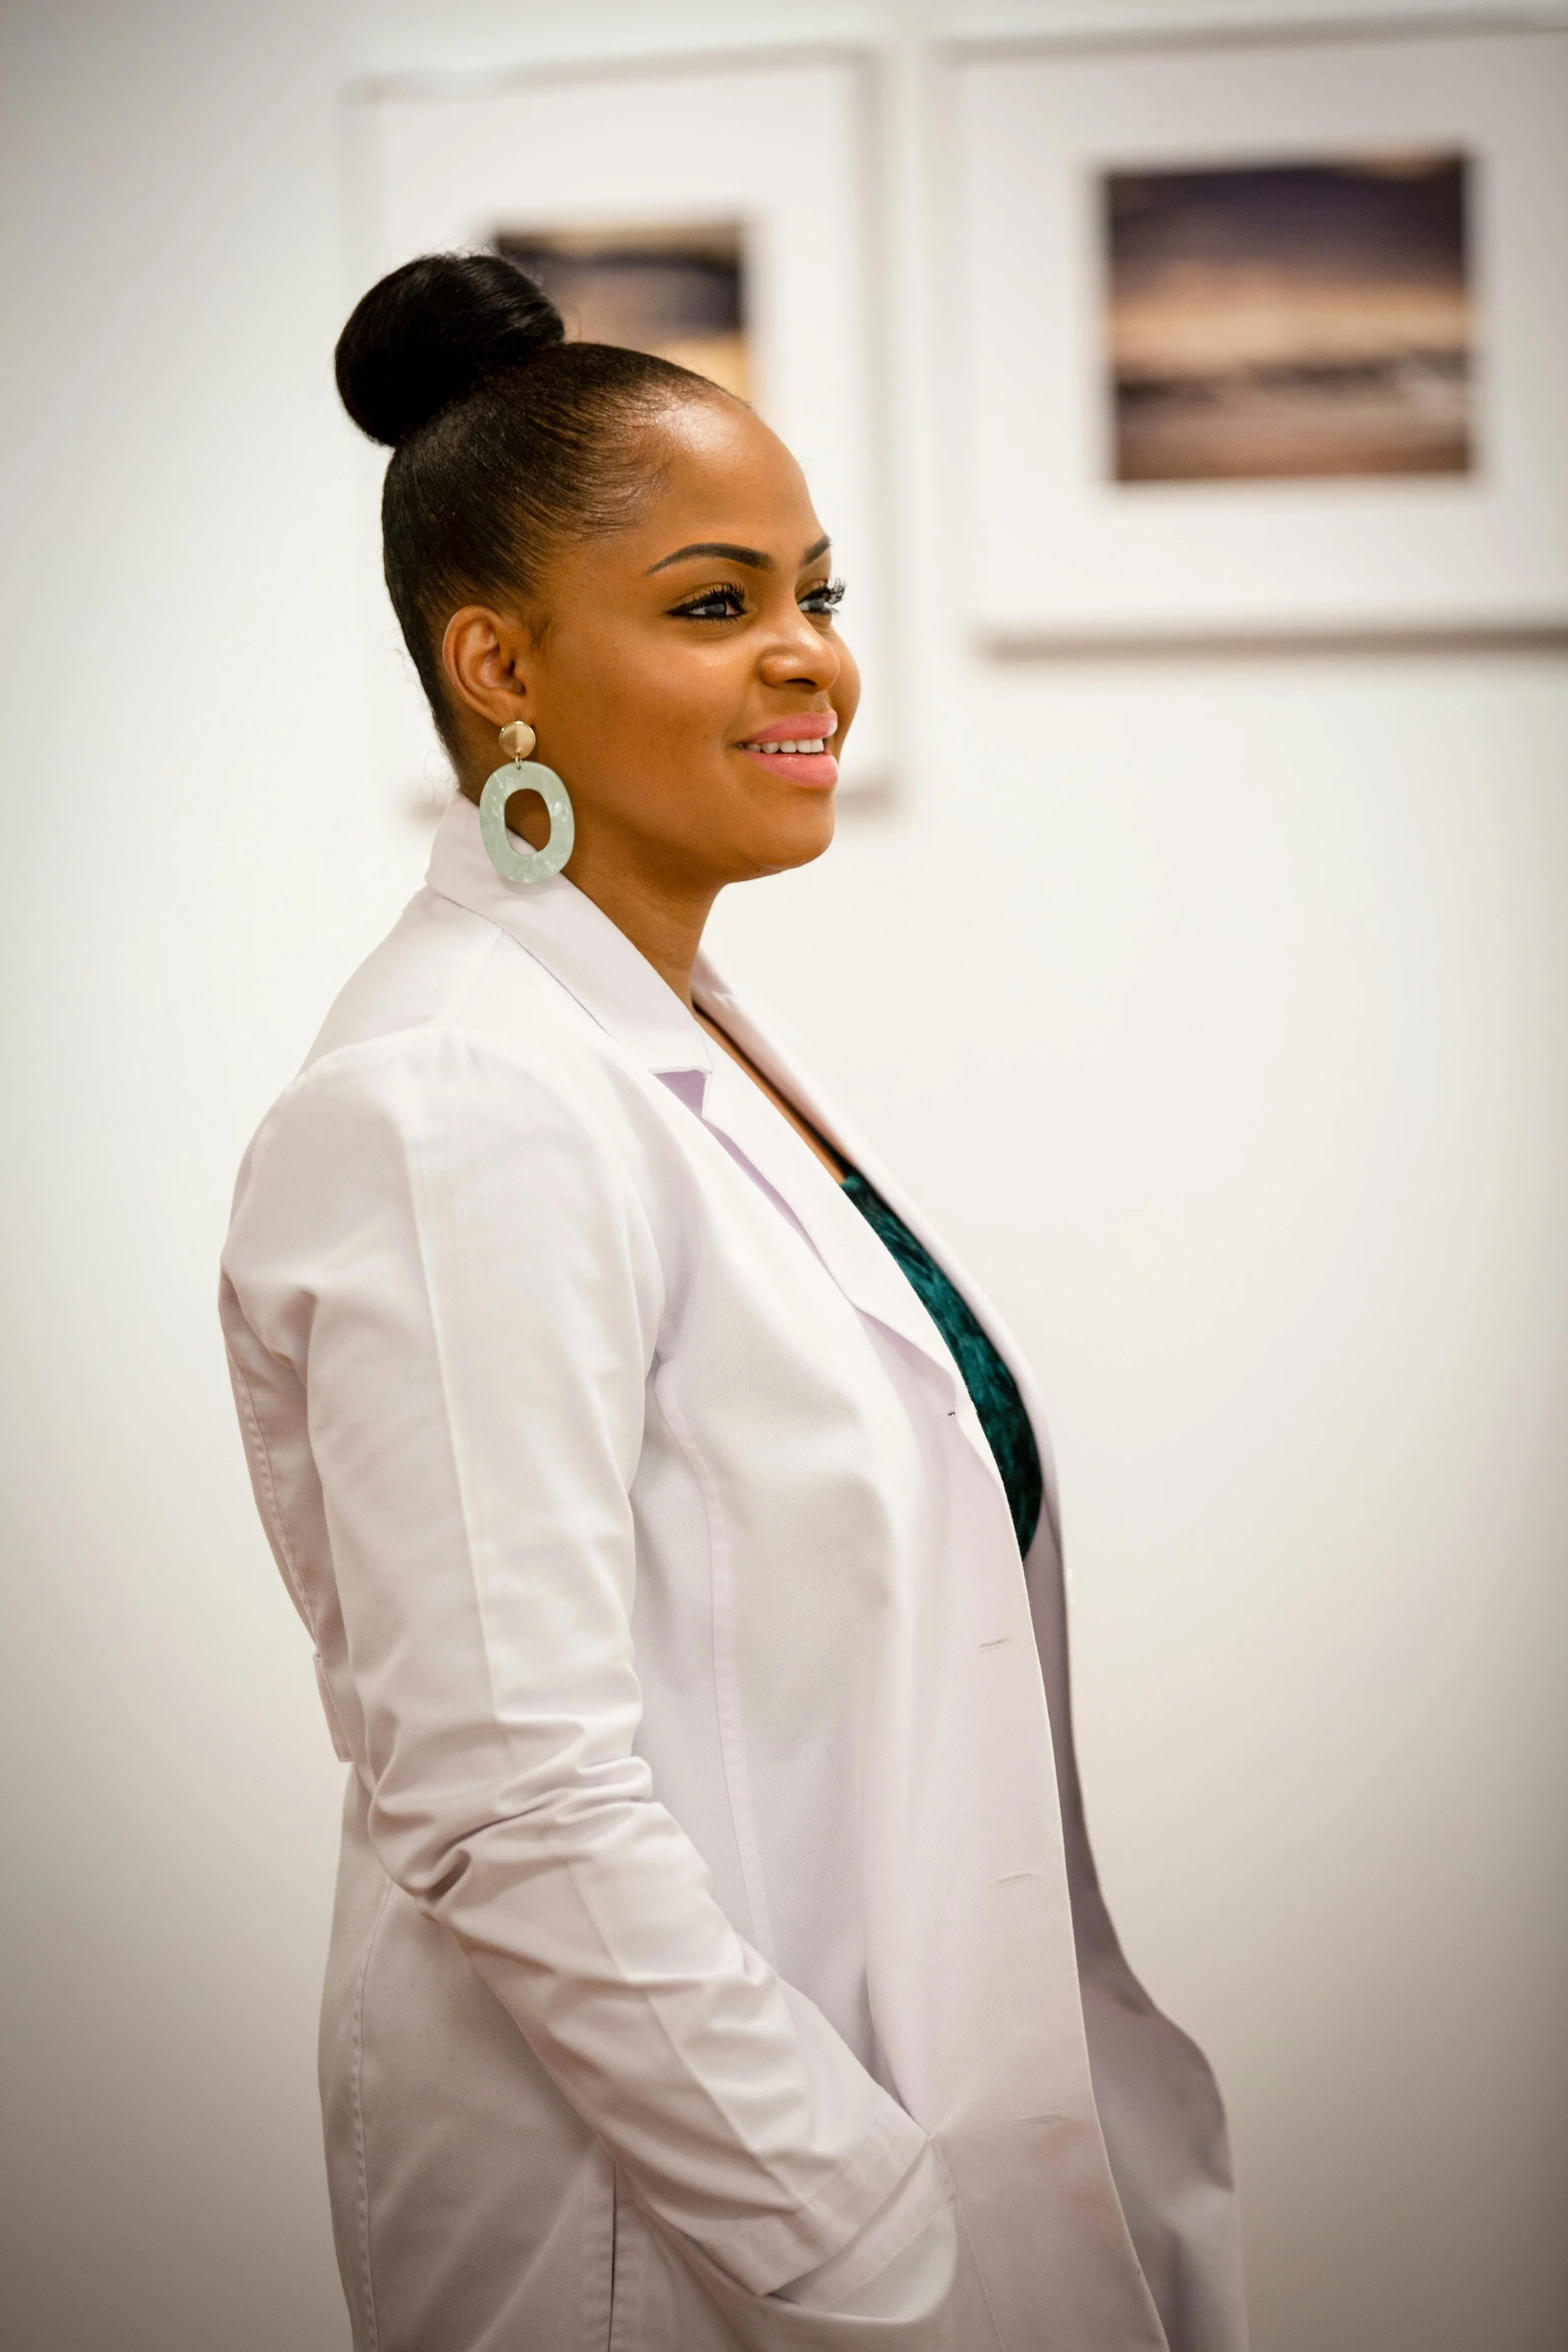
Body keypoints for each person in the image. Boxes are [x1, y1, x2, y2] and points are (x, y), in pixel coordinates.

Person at [220, 252, 1248, 2352]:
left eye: (820, 593)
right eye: (714, 604)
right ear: (496, 661)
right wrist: (861, 2238)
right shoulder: (453, 1096)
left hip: (897, 2160)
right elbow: (509, 1792)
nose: (810, 663)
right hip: (685, 2251)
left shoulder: (670, 1031)